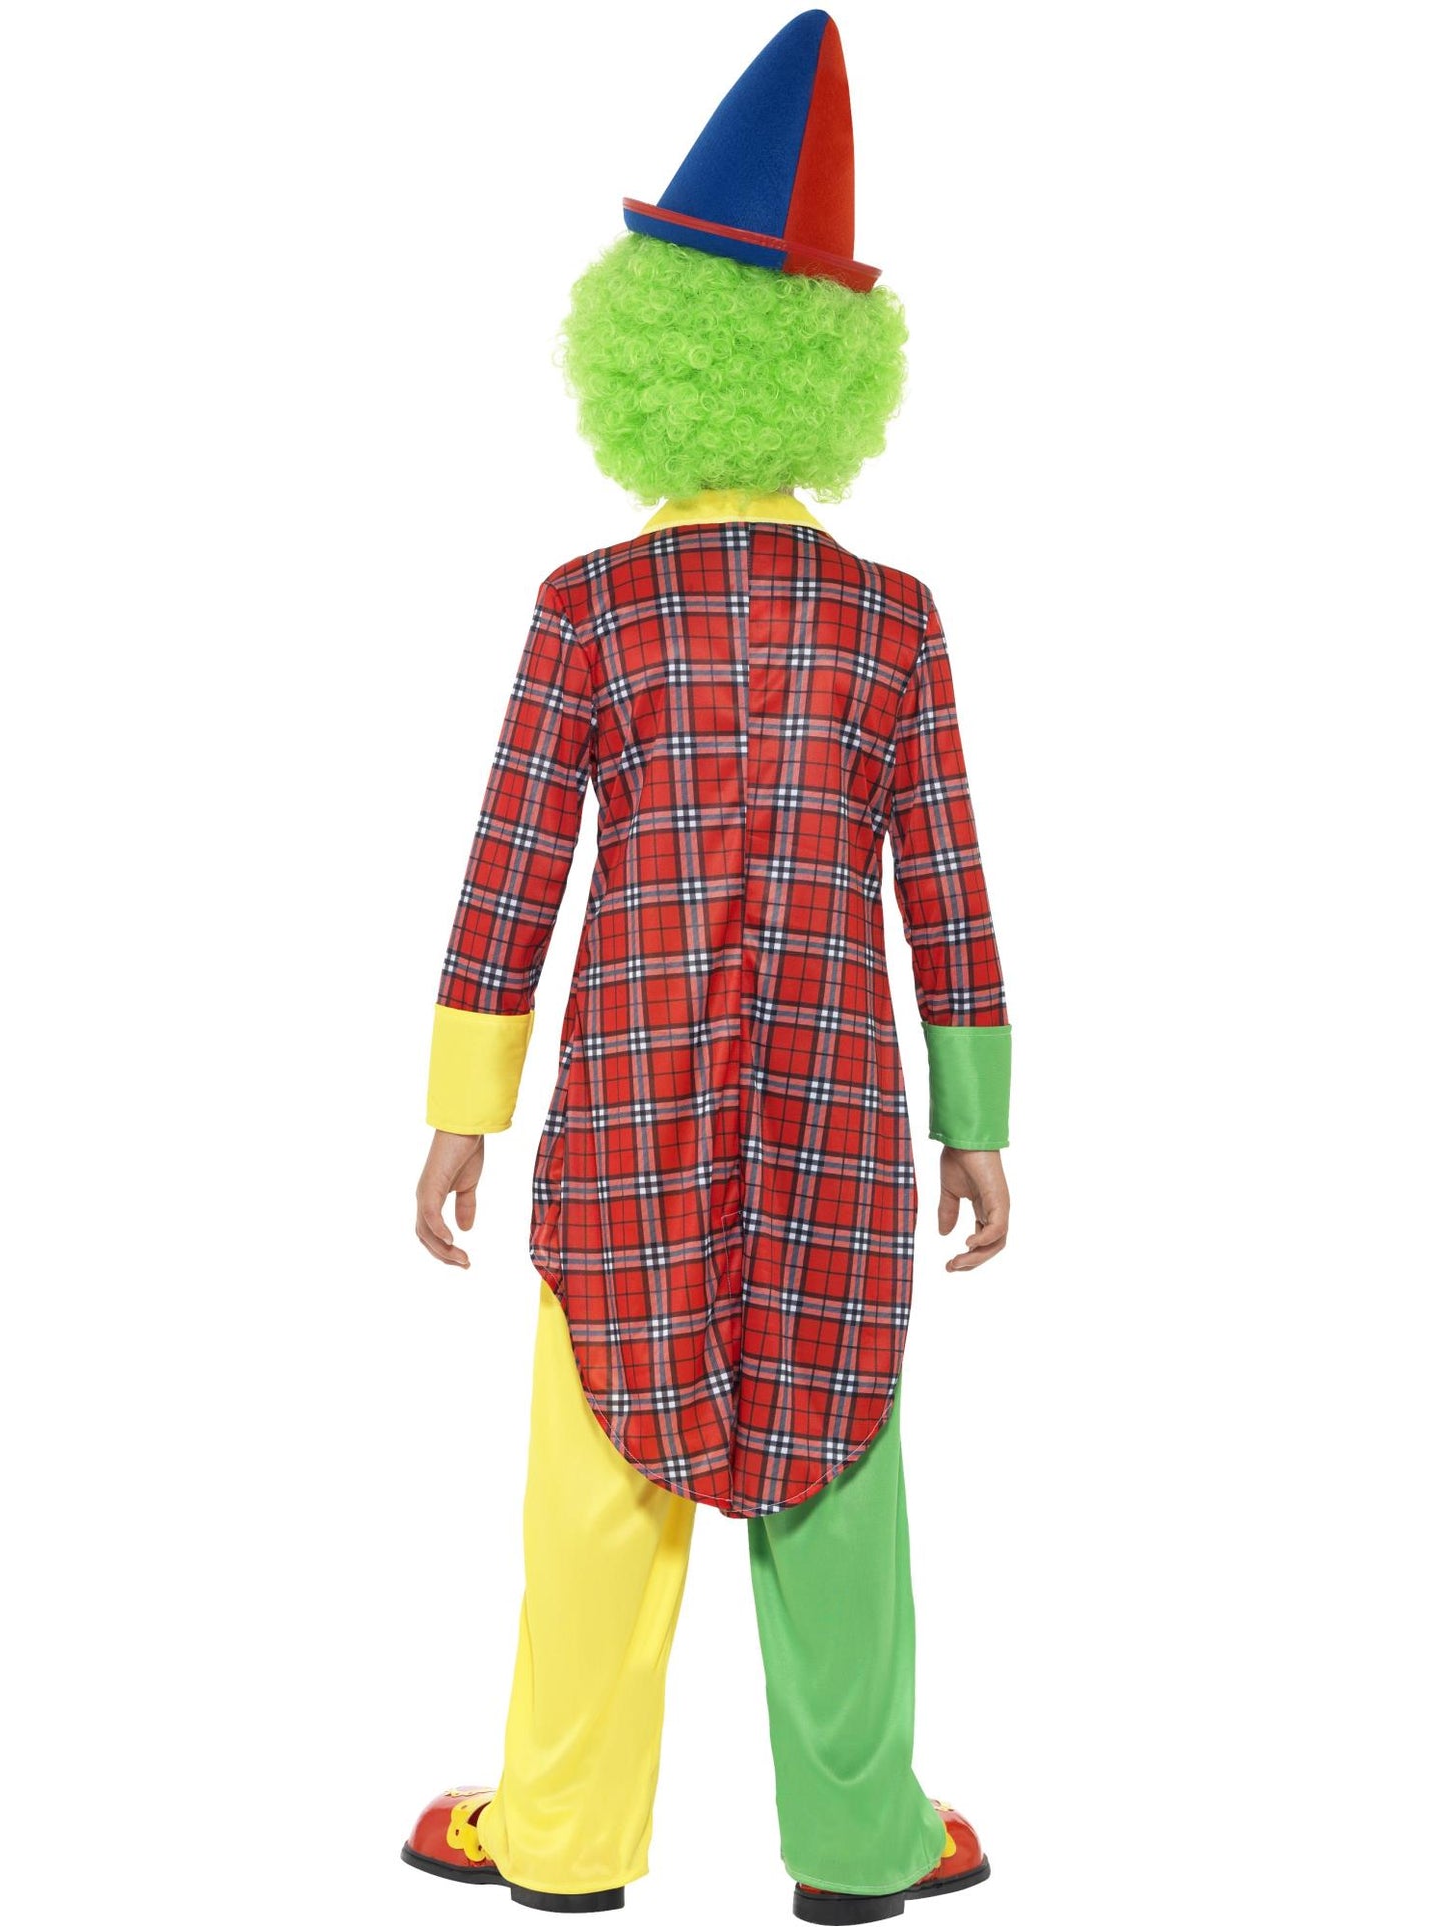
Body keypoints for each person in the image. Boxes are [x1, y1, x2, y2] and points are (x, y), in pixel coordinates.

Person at [402, 13, 1012, 1922]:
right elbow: (947, 889)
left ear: (642, 352)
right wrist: (976, 1123)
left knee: (597, 1482)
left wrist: (462, 1110)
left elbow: (513, 868)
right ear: (833, 370)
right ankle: (861, 1844)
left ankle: (560, 1838)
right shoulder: (893, 622)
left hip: (626, 1119)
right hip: (838, 1123)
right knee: (839, 1478)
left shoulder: (587, 608)